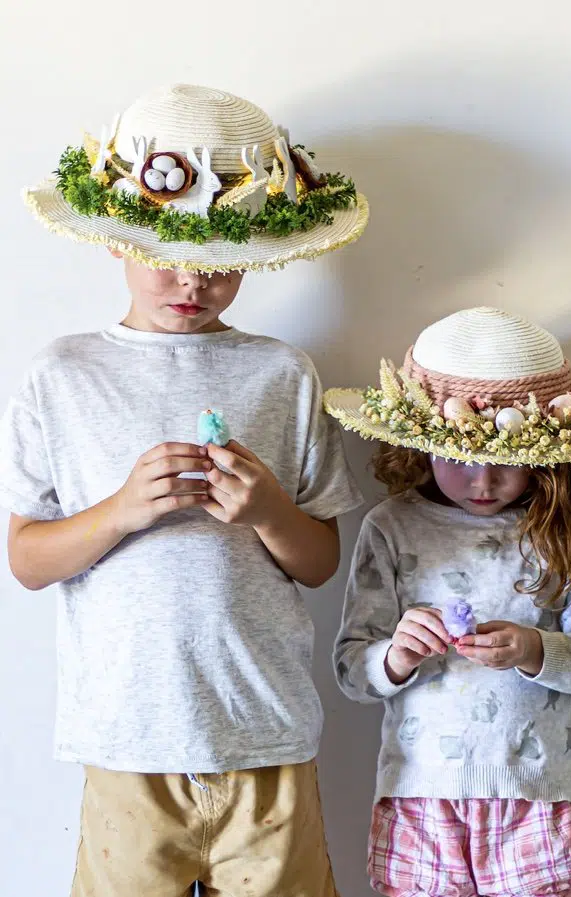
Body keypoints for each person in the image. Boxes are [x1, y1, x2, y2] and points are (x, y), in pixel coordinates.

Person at [1, 83, 368, 897]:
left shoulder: (283, 373)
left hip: (265, 734)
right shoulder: (64, 374)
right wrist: (122, 510)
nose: (189, 283)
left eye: (216, 263)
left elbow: (318, 563)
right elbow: (27, 560)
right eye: (163, 253)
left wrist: (270, 510)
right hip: (127, 741)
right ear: (114, 239)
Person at [324, 306, 571, 897]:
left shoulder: (561, 530)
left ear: (542, 456)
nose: (482, 482)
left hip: (538, 794)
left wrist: (533, 648)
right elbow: (351, 673)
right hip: (420, 795)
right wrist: (396, 656)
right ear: (419, 447)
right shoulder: (390, 527)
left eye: (505, 461)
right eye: (459, 458)